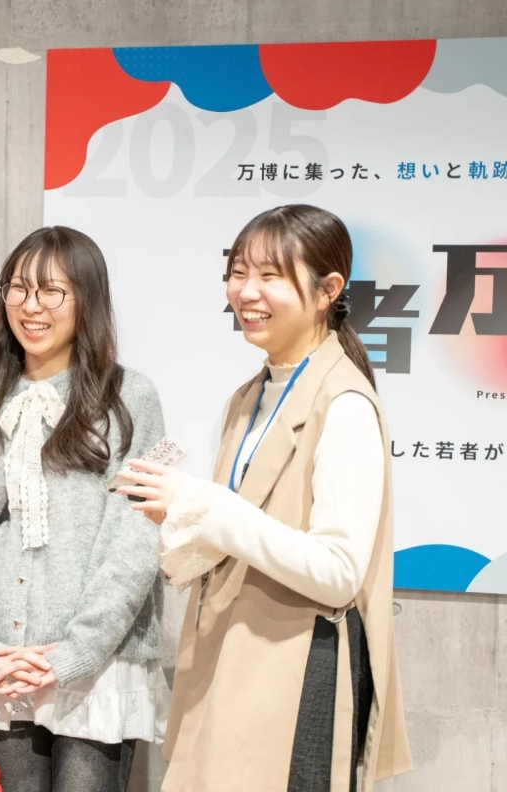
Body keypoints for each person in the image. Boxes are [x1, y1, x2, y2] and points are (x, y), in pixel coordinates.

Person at [112, 204, 411, 791]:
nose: (245, 291)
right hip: (227, 659)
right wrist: (175, 516)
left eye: (270, 275)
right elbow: (231, 536)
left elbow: (337, 572)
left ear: (328, 290)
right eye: (238, 271)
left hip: (297, 667)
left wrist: (203, 507)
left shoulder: (345, 402)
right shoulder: (247, 397)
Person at [0, 226, 168, 792]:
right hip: (2, 662)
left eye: (51, 292)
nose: (30, 306)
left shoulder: (129, 397)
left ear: (85, 300)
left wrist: (74, 653)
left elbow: (133, 540)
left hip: (98, 664)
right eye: (17, 289)